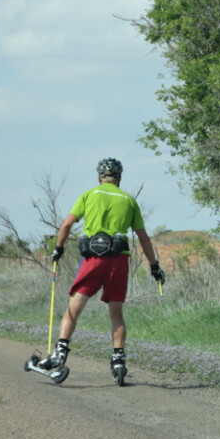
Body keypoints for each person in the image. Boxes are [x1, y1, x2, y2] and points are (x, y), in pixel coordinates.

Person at [39, 158, 165, 382]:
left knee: (74, 309)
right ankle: (118, 360)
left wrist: (58, 248)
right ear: (119, 177)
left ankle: (60, 354)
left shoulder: (88, 195)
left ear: (99, 177)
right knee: (116, 314)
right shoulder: (129, 201)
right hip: (118, 261)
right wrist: (154, 266)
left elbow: (66, 225)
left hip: (92, 260)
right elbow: (143, 238)